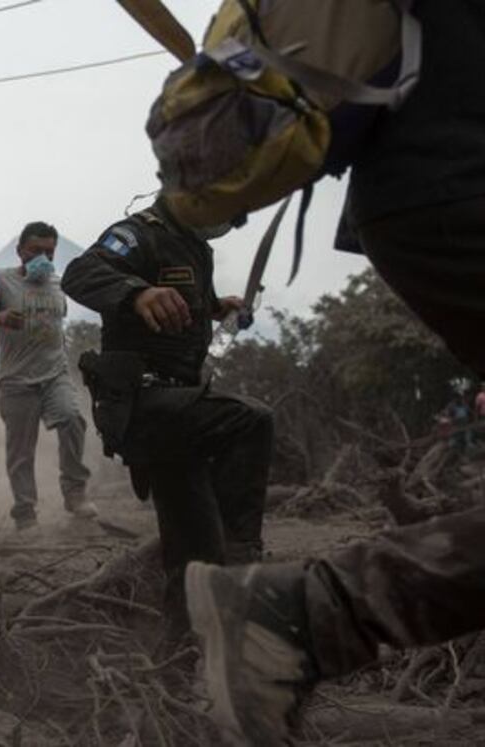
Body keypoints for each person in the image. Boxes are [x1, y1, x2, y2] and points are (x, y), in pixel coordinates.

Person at [184, 3, 485, 744]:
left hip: (431, 181)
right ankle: (301, 614)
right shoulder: (141, 245)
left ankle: (299, 613)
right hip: (455, 174)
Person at [62, 197, 273, 641]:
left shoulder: (194, 245)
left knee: (194, 557)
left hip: (180, 412)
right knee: (252, 420)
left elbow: (181, 305)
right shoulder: (139, 233)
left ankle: (178, 668)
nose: (227, 224)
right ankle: (245, 561)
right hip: (144, 405)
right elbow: (78, 274)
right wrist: (136, 293)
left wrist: (216, 307)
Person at [0, 221, 92, 530]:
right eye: (35, 251)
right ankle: (25, 513)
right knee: (21, 451)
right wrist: (1, 316)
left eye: (49, 252)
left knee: (73, 419)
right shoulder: (1, 280)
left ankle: (75, 492)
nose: (42, 258)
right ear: (20, 250)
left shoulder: (57, 285)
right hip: (16, 381)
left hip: (54, 373)